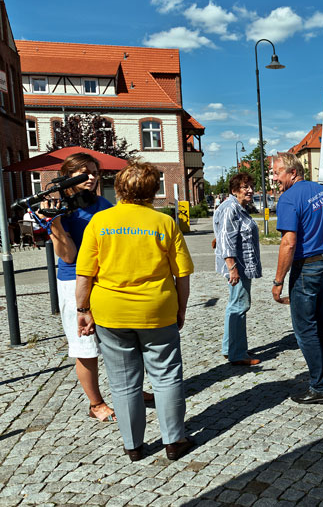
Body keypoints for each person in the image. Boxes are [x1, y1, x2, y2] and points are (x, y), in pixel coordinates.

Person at [75, 161, 195, 462]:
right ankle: (173, 441)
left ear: (118, 189)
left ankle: (133, 445)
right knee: (166, 376)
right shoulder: (164, 223)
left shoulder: (100, 223)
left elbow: (85, 275)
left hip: (111, 312)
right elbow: (182, 274)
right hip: (157, 309)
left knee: (123, 380)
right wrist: (180, 308)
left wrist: (82, 309)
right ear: (154, 191)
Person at [38, 153, 116, 422]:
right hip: (74, 281)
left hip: (104, 280)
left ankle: (130, 390)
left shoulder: (104, 204)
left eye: (94, 171)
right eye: (84, 172)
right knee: (86, 347)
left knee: (119, 340)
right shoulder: (59, 208)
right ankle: (96, 404)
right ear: (68, 176)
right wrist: (55, 222)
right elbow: (69, 256)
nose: (91, 177)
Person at [271, 152, 323, 404]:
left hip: (307, 268)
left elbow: (288, 242)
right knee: (321, 326)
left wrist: (278, 281)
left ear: (292, 172)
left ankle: (320, 388)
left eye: (277, 173)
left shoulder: (288, 199)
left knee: (306, 330)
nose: (274, 178)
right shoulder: (322, 191)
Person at [213, 173, 262, 366]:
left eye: (251, 186)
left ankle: (230, 348)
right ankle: (237, 353)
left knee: (235, 304)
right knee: (239, 306)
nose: (250, 190)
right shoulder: (231, 207)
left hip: (240, 265)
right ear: (234, 190)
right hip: (238, 266)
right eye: (245, 187)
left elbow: (222, 234)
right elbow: (226, 239)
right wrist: (232, 267)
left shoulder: (235, 207)